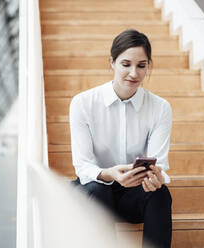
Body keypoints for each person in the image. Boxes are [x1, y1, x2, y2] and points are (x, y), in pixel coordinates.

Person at [70, 29, 172, 248]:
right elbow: (82, 166)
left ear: (148, 66)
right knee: (98, 189)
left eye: (141, 65)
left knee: (160, 193)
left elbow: (159, 163)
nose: (134, 73)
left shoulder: (160, 108)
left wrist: (156, 178)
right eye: (126, 64)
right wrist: (109, 174)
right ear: (112, 63)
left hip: (131, 196)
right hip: (94, 194)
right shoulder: (83, 103)